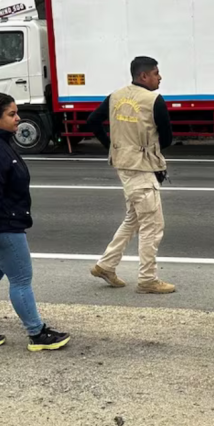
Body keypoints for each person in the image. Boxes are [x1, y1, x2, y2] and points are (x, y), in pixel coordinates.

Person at [0, 92, 70, 351]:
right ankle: (37, 334)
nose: (18, 118)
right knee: (21, 278)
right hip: (1, 226)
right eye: (12, 114)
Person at [87, 56, 175, 294]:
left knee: (134, 219)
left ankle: (106, 264)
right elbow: (166, 139)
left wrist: (111, 143)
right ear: (144, 76)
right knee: (152, 225)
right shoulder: (154, 100)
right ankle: (147, 279)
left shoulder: (115, 96)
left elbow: (93, 120)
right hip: (143, 167)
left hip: (123, 164)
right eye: (156, 73)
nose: (160, 77)